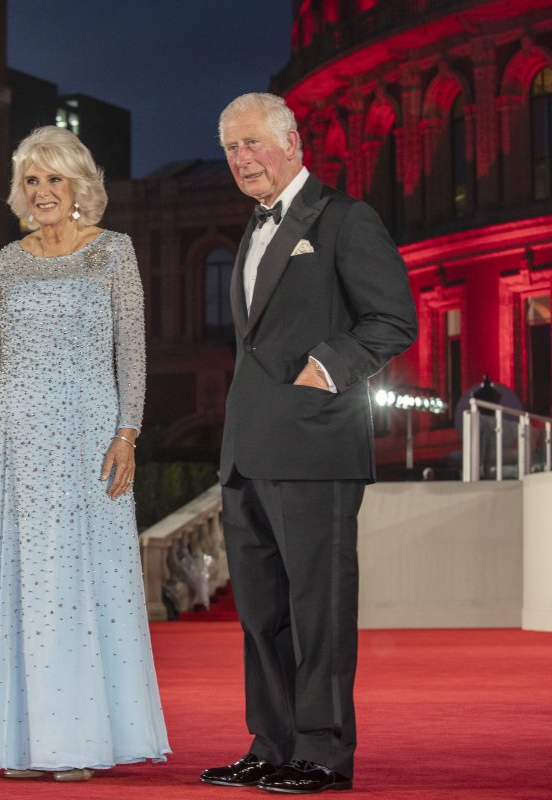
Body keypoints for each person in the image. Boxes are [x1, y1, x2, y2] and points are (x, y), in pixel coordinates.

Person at [0, 125, 170, 782]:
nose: (41, 192)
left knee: (77, 584)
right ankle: (22, 741)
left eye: (53, 179)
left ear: (79, 186)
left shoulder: (113, 253)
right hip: (18, 443)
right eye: (32, 181)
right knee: (23, 585)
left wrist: (129, 432)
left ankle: (77, 738)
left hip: (90, 439)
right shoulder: (8, 261)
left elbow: (133, 352)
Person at [202, 93, 417, 794]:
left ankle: (323, 752)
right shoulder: (251, 230)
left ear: (294, 143)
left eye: (254, 143)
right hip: (247, 451)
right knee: (261, 613)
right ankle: (271, 743)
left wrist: (326, 367)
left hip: (317, 447)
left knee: (317, 610)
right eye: (231, 148)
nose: (242, 159)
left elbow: (392, 319)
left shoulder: (345, 219)